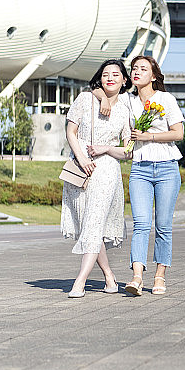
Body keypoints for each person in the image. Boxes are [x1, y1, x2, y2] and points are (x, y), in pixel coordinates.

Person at [60, 59, 132, 298]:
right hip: (81, 168)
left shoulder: (126, 109)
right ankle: (110, 277)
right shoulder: (85, 99)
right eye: (105, 74)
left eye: (115, 74)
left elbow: (127, 151)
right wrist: (82, 158)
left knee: (93, 223)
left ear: (124, 80)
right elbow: (70, 131)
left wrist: (106, 149)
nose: (109, 78)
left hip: (107, 171)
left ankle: (80, 282)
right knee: (90, 226)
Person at [117, 55, 184, 296]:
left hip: (167, 167)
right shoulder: (127, 101)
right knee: (141, 224)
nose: (137, 72)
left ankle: (159, 277)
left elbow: (178, 133)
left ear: (153, 76)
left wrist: (149, 136)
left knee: (163, 226)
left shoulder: (165, 99)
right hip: (140, 168)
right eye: (134, 68)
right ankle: (136, 277)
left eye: (143, 69)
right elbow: (100, 92)